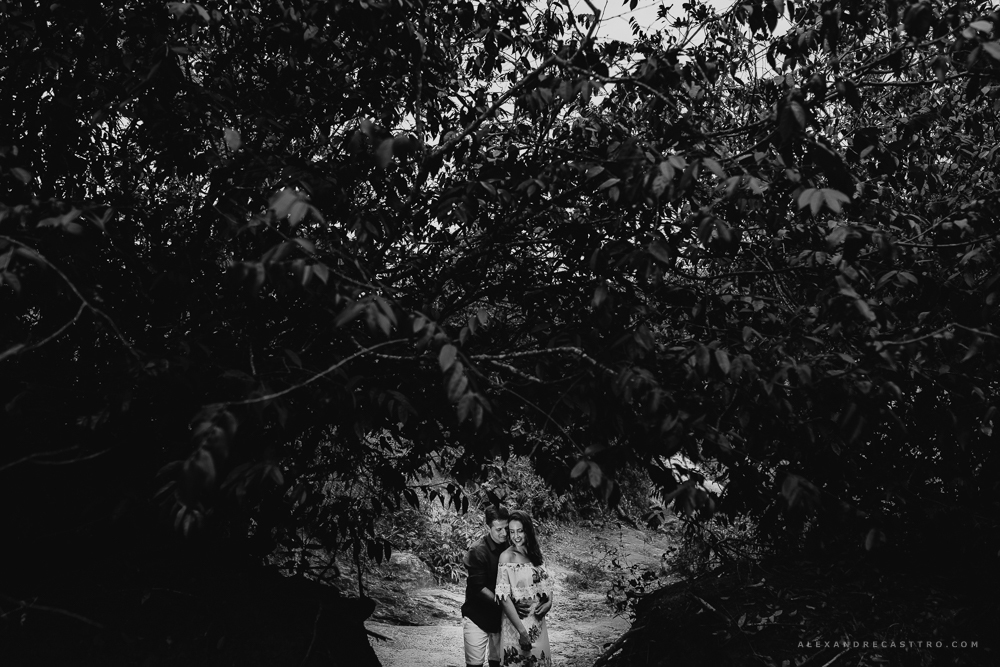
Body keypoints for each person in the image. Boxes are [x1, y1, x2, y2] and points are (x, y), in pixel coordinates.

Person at [461, 506, 531, 667]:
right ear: (489, 527)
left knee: (498, 663)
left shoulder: (513, 546)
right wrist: (508, 605)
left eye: (506, 528)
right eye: (498, 529)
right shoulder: (478, 551)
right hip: (477, 616)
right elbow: (478, 588)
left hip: (503, 618)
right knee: (474, 664)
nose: (504, 533)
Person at [495, 510, 554, 666]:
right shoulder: (506, 557)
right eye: (512, 532)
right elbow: (503, 597)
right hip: (516, 626)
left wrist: (549, 603)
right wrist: (522, 632)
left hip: (538, 625)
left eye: (520, 531)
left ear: (528, 530)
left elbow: (547, 583)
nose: (516, 536)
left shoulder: (535, 554)